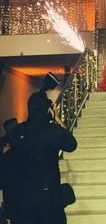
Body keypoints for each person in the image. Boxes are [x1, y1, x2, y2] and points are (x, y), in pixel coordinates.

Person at [8, 91, 77, 224]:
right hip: (49, 194)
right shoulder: (52, 130)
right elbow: (71, 144)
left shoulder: (18, 131)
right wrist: (56, 119)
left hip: (26, 196)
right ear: (47, 110)